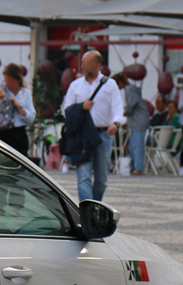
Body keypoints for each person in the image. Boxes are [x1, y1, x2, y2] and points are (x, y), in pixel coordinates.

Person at [61, 50, 125, 202]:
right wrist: (81, 106)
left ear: (98, 65)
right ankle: (88, 215)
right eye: (82, 63)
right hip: (82, 135)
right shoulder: (75, 86)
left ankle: (94, 206)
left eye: (86, 63)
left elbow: (118, 109)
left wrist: (115, 123)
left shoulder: (110, 85)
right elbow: (66, 110)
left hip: (103, 134)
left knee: (101, 180)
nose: (83, 66)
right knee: (84, 177)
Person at [114, 72, 149, 176]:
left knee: (137, 145)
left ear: (120, 83)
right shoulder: (131, 89)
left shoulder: (129, 90)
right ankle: (136, 167)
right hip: (137, 120)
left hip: (139, 121)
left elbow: (130, 105)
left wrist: (123, 113)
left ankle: (138, 168)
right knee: (133, 145)